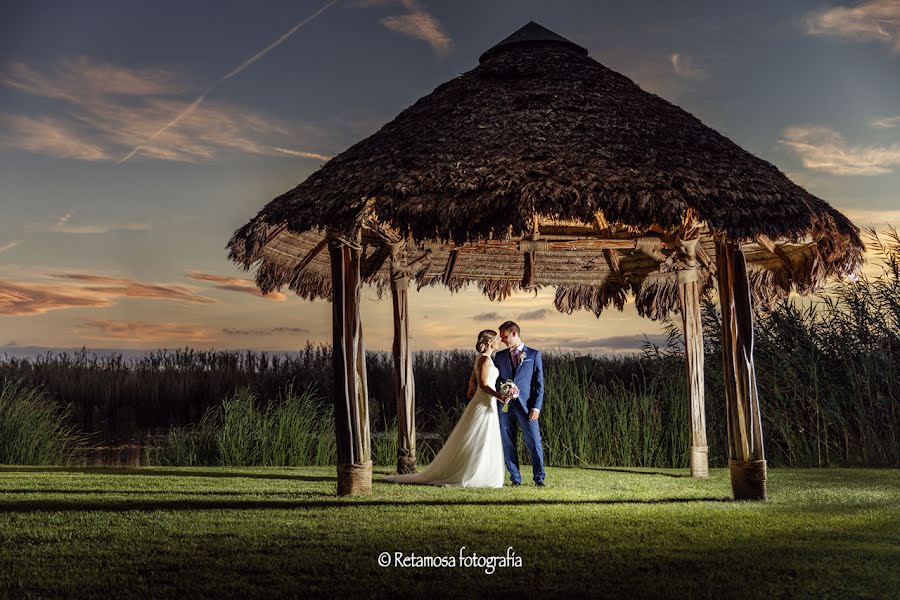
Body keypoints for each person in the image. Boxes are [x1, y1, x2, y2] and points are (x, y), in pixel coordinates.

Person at [384, 329, 509, 488]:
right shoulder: (485, 360)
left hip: (485, 401)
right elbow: (483, 384)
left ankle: (479, 470)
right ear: (490, 341)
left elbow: (474, 378)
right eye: (497, 339)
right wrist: (500, 396)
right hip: (484, 401)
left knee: (481, 436)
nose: (499, 341)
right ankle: (472, 473)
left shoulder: (482, 358)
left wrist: (471, 386)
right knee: (479, 435)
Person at [471, 320, 545, 486]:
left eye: (504, 337)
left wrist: (536, 407)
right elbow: (488, 373)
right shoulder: (500, 356)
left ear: (514, 334)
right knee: (507, 442)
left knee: (534, 442)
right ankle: (515, 478)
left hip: (527, 406)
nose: (502, 340)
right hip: (504, 406)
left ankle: (539, 479)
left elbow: (539, 384)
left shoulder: (533, 355)